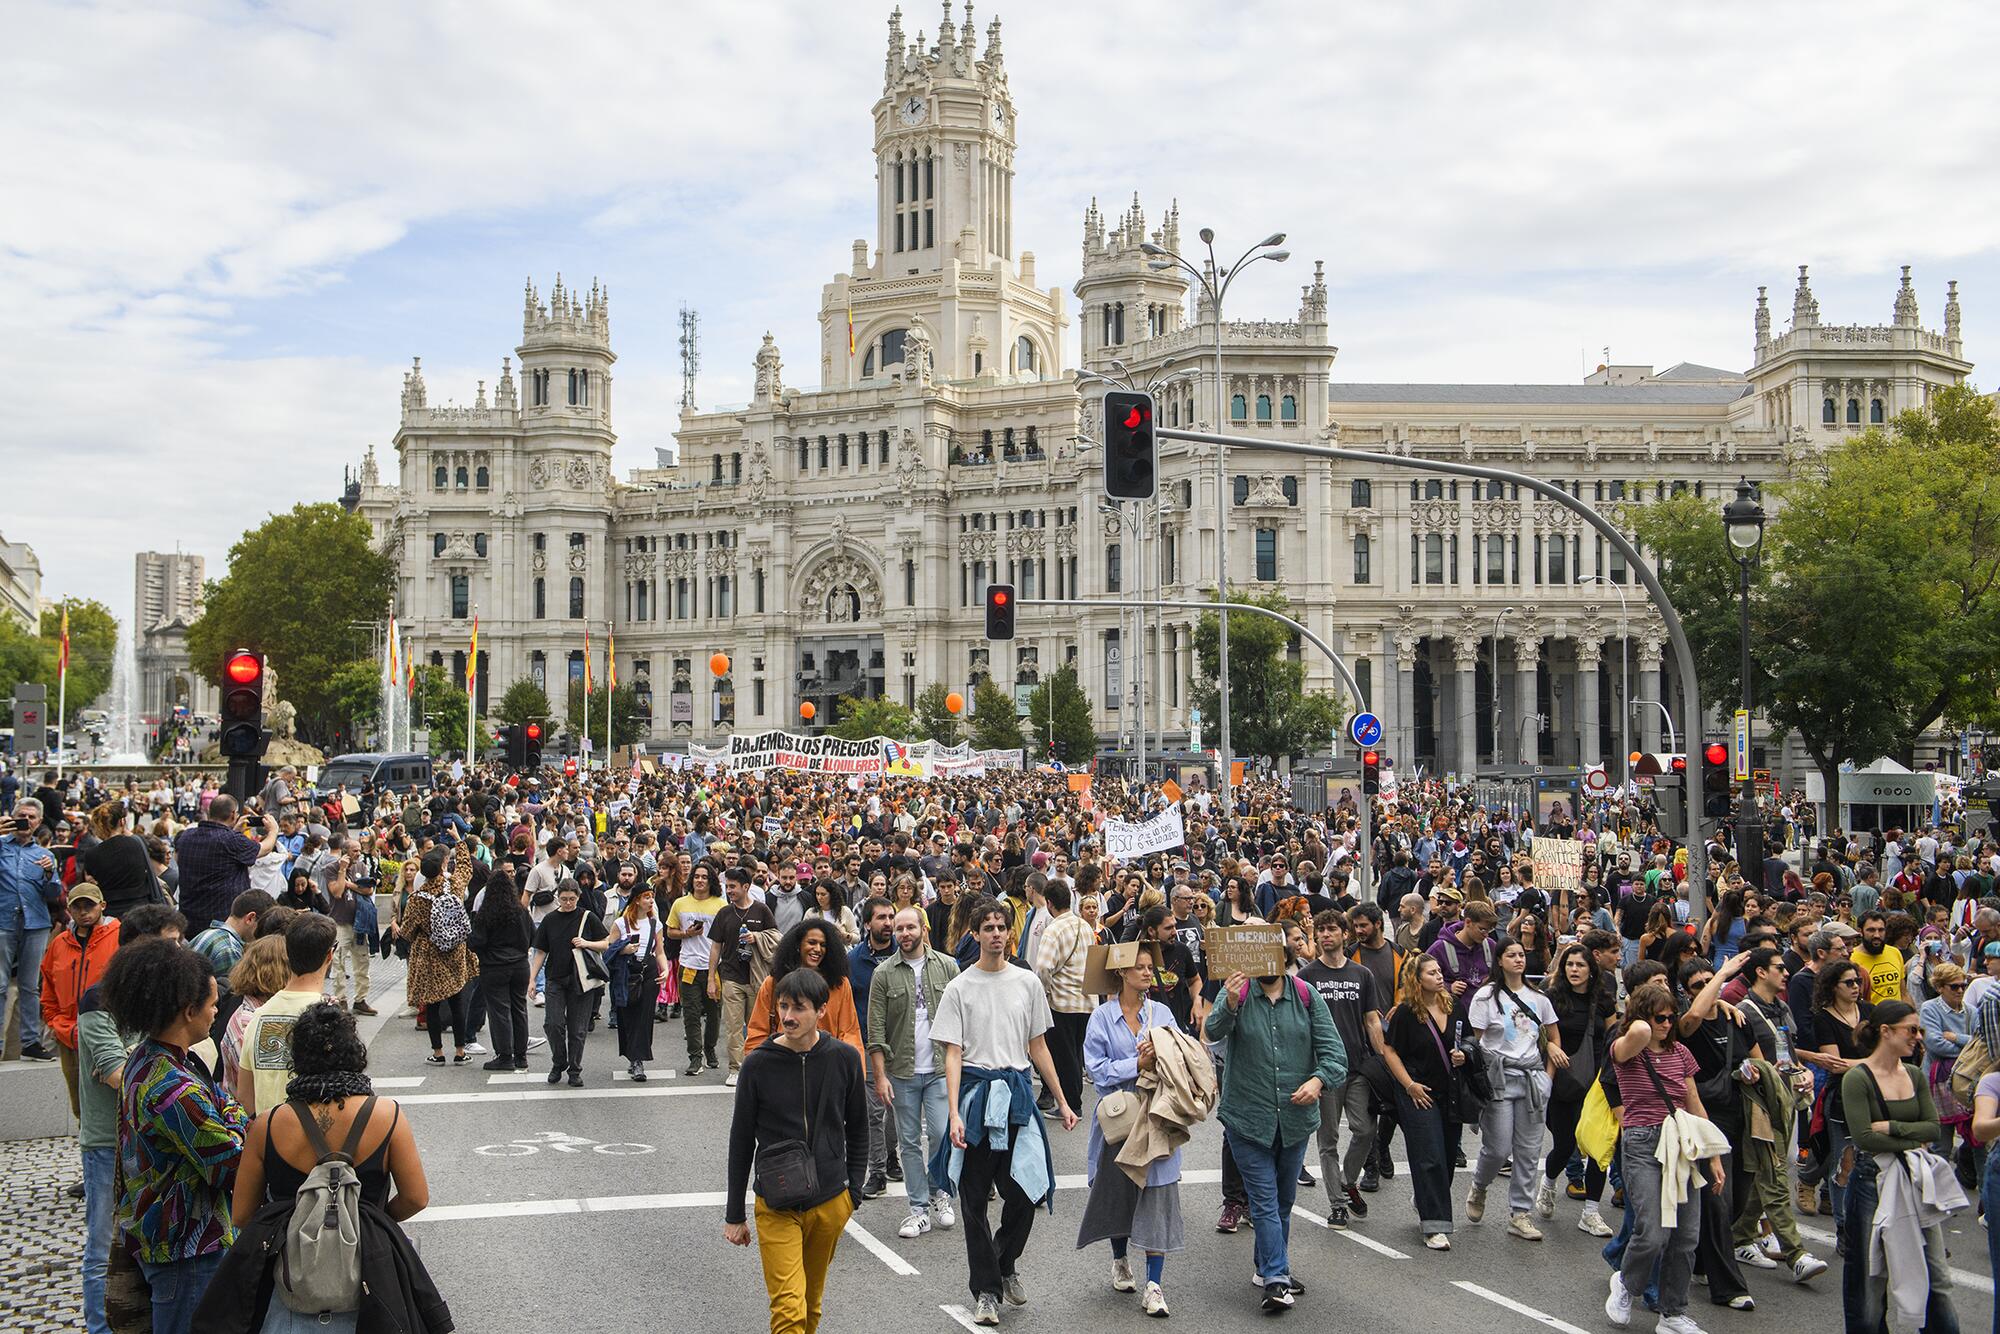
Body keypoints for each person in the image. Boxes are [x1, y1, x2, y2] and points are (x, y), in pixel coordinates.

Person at [220, 1002, 437, 1333]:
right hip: (371, 1282)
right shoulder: (386, 1115)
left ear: (298, 1057)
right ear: (355, 1051)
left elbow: (242, 1215)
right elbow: (416, 1197)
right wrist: (371, 1220)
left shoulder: (269, 1124)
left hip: (293, 1282)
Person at [933, 897, 1079, 1327]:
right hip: (977, 1098)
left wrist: (1064, 1100)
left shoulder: (1027, 983)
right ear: (974, 934)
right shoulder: (959, 987)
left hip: (1016, 1096)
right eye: (988, 927)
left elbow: (1038, 1047)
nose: (996, 934)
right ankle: (986, 1292)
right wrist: (955, 1114)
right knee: (973, 1200)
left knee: (1026, 1193)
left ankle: (1005, 1261)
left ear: (1009, 933)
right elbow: (954, 1054)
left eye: (1002, 927)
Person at [100, 935, 249, 1334]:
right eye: (214, 1003)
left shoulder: (150, 1059)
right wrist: (234, 1121)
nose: (217, 1011)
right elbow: (231, 1162)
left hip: (168, 1241)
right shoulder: (174, 1088)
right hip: (187, 1250)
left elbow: (225, 1104)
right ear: (188, 1010)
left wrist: (227, 1113)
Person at [724, 967, 869, 1334]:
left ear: (821, 1010)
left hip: (830, 1200)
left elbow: (859, 1127)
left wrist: (852, 1192)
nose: (788, 1016)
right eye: (783, 1007)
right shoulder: (758, 1064)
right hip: (776, 1203)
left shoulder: (844, 1059)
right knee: (789, 1308)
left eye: (799, 1008)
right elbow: (741, 1139)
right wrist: (734, 1213)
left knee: (810, 1305)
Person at [1203, 946, 1346, 1312]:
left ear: (1284, 961)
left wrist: (1317, 1081)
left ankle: (1265, 1266)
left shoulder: (1305, 994)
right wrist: (1229, 1002)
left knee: (1283, 1202)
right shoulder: (1238, 990)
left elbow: (1334, 1054)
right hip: (1247, 1119)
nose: (1263, 965)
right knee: (1265, 1202)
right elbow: (1212, 1032)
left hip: (1295, 1122)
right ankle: (1276, 1280)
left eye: (1272, 958)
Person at [1605, 979, 1725, 1334]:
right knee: (1652, 1232)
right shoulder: (1625, 1047)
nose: (1667, 1024)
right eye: (1660, 1017)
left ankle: (1672, 1313)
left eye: (1671, 1017)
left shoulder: (1681, 1054)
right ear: (1643, 1015)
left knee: (1686, 1237)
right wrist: (1641, 1017)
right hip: (1643, 1143)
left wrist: (1714, 1157)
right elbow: (1638, 1032)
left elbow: (1695, 1104)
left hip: (1683, 1142)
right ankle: (1626, 1285)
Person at [1839, 1000, 1960, 1334]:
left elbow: (1933, 1129)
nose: (1917, 1037)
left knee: (1936, 1274)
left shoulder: (1914, 1074)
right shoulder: (1858, 1078)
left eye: (1919, 1030)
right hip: (1870, 1180)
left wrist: (1890, 1128)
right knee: (1868, 1279)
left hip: (1913, 1178)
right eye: (1911, 1029)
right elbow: (1865, 1138)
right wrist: (1911, 1137)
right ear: (1885, 1031)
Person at [1077, 939, 1183, 1318]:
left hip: (1158, 1118)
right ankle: (1120, 1257)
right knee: (1117, 1193)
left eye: (1149, 966)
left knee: (1158, 1197)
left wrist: (1160, 1061)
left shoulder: (1163, 1015)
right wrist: (1134, 1066)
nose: (1146, 972)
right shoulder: (1101, 1018)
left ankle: (1154, 1285)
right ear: (1121, 972)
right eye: (1138, 967)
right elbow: (1098, 1072)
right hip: (1119, 1120)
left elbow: (1180, 1061)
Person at [867, 904, 961, 1241]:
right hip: (902, 1071)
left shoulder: (948, 967)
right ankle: (918, 1209)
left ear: (923, 928)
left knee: (939, 1134)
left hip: (938, 1070)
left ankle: (940, 1194)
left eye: (910, 927)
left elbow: (962, 1022)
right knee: (908, 1143)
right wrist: (879, 1076)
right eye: (899, 928)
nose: (904, 933)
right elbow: (875, 1030)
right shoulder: (884, 973)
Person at [1464, 936, 1562, 1241]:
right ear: (1500, 960)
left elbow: (1554, 1039)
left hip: (1533, 1078)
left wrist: (1547, 1077)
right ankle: (1480, 1185)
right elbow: (1475, 1043)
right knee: (1498, 1149)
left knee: (1530, 1151)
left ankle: (1520, 1213)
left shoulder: (1539, 998)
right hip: (1499, 1078)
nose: (1519, 960)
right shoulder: (1486, 997)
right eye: (1512, 955)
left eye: (1521, 955)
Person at [1296, 909, 1385, 1229]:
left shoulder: (1362, 974)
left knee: (1365, 1130)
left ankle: (1349, 1181)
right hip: (1324, 1070)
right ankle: (1337, 1204)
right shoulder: (1306, 976)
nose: (1325, 935)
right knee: (1328, 1139)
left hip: (1358, 1066)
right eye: (1320, 930)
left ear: (1344, 934)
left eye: (1331, 929)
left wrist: (1383, 1058)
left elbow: (1371, 1019)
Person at [1542, 940, 1613, 1236]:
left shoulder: (1604, 1000)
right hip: (1563, 1082)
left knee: (1599, 1147)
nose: (1574, 969)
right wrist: (1549, 1046)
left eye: (1580, 965)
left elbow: (1613, 1037)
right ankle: (1547, 1183)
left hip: (1597, 1083)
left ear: (1591, 969)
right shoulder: (1552, 996)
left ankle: (1591, 1212)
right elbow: (1536, 1032)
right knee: (1565, 1145)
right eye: (1570, 964)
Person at [239, 914, 338, 1117]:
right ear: (329, 955)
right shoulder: (329, 1018)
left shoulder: (257, 1017)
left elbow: (245, 1098)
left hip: (269, 1137)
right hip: (316, 1141)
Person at [40, 881, 120, 1120]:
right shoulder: (59, 944)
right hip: (70, 1035)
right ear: (69, 909)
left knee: (113, 1103)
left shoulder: (119, 936)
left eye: (89, 905)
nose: (84, 911)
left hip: (107, 1032)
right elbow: (48, 988)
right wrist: (56, 1022)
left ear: (102, 906)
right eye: (77, 907)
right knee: (79, 1106)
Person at [529, 878, 612, 1086]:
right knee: (553, 1023)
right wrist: (532, 979)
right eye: (564, 899)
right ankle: (559, 1061)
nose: (567, 903)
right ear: (558, 898)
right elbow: (540, 951)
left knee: (578, 1029)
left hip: (581, 980)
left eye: (572, 899)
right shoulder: (549, 920)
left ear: (578, 897)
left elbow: (606, 943)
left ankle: (574, 1069)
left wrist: (587, 943)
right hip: (555, 978)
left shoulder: (587, 917)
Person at [401, 846, 478, 1067]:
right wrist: (460, 843)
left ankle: (438, 1052)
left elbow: (407, 932)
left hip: (429, 953)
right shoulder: (453, 885)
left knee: (432, 1004)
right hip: (455, 950)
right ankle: (461, 1051)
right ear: (443, 866)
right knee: (457, 1002)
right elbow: (465, 867)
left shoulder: (417, 898)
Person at [746, 919, 862, 1060]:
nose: (818, 949)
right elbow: (757, 1033)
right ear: (797, 945)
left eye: (823, 945)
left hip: (827, 1066)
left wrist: (853, 1073)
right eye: (812, 942)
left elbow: (850, 1033)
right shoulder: (774, 983)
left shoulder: (840, 984)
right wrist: (757, 1071)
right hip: (782, 1065)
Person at [847, 896, 901, 1197]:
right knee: (874, 1111)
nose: (888, 923)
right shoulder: (853, 961)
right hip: (869, 1044)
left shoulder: (905, 954)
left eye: (890, 917)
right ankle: (877, 1171)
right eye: (881, 917)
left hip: (902, 1044)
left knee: (895, 1109)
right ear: (867, 923)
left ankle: (891, 1156)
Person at [0, 797, 60, 1061]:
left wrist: (50, 873)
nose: (26, 821)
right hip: (3, 921)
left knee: (30, 986)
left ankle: (30, 1041)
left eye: (31, 817)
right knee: (0, 985)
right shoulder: (1, 846)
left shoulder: (45, 855)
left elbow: (54, 893)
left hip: (35, 923)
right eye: (21, 815)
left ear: (39, 823)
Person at [709, 864, 777, 1087]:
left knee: (756, 1026)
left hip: (757, 977)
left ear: (746, 887)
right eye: (727, 887)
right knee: (734, 1027)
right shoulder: (724, 913)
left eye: (733, 887)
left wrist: (756, 938)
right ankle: (736, 1069)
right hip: (731, 977)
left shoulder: (761, 910)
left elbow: (776, 937)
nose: (729, 891)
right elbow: (716, 947)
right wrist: (712, 978)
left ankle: (756, 1067)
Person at [173, 794, 279, 936]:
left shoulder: (186, 836)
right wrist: (273, 831)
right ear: (233, 814)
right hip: (220, 925)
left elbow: (214, 850)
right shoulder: (231, 841)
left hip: (189, 921)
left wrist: (234, 831)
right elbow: (264, 848)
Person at [1033, 880, 1096, 1116]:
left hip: (1062, 1001)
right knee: (1076, 1054)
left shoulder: (1053, 929)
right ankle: (1073, 1101)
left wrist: (1045, 993)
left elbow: (1043, 968)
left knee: (1065, 1055)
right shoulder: (1085, 926)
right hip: (1087, 999)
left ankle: (1071, 1105)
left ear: (1049, 903)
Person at [470, 865, 534, 1071]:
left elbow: (476, 941)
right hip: (520, 965)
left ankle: (505, 1055)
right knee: (519, 1008)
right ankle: (521, 1055)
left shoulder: (486, 913)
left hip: (494, 966)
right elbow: (533, 936)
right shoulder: (521, 911)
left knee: (499, 1011)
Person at [669, 861, 726, 1077]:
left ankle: (710, 1048)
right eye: (696, 877)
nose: (700, 880)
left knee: (714, 1014)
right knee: (691, 1014)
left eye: (704, 877)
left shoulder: (721, 905)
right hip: (688, 967)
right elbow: (670, 932)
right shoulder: (680, 904)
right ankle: (695, 1057)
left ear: (711, 881)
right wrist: (686, 934)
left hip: (714, 969)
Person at [608, 882, 669, 1079]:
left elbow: (659, 950)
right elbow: (609, 949)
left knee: (645, 1016)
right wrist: (623, 949)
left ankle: (638, 1061)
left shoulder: (655, 924)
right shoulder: (621, 923)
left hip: (648, 970)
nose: (651, 900)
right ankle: (632, 1054)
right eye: (646, 896)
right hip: (627, 970)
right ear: (636, 900)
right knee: (628, 1016)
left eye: (652, 896)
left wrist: (666, 969)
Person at [1919, 961, 1973, 1159]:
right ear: (1940, 987)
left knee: (1976, 1142)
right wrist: (1968, 1048)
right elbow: (1935, 1044)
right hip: (1936, 1083)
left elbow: (1979, 1044)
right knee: (1940, 1145)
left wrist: (1957, 1037)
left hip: (1965, 1082)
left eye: (1963, 986)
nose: (1960, 990)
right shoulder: (1929, 1008)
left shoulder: (1971, 1011)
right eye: (1954, 986)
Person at [82, 800, 156, 918]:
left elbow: (91, 879)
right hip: (140, 909)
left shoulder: (92, 854)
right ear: (122, 821)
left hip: (110, 911)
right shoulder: (138, 844)